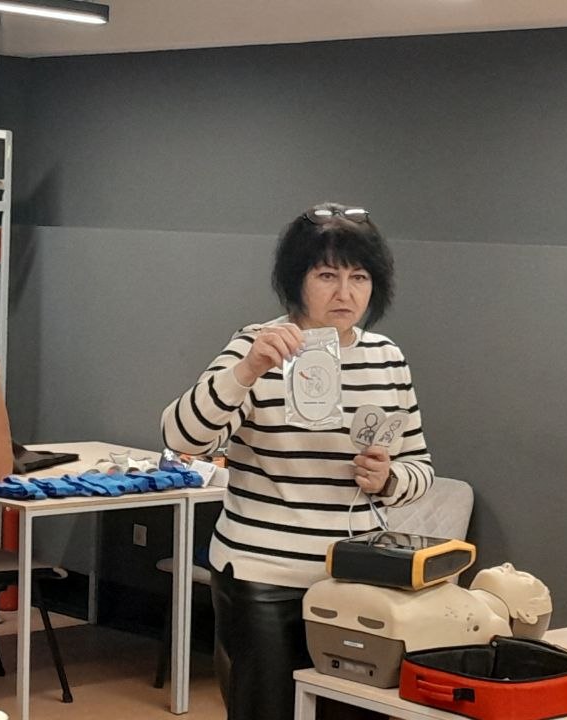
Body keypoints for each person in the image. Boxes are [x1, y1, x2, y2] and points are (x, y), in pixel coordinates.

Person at [161, 203, 434, 720]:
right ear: (297, 281)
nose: (345, 293)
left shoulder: (386, 357)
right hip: (264, 577)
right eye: (327, 275)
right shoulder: (256, 346)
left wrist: (389, 478)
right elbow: (182, 436)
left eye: (359, 277)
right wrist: (247, 370)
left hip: (357, 579)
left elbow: (419, 467)